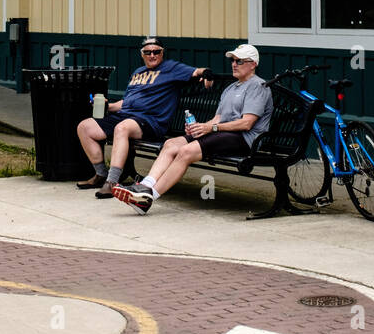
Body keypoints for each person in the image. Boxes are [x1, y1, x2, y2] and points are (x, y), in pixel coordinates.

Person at [113, 43, 272, 214]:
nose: (234, 64)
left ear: (253, 64)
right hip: (223, 133)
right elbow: (218, 118)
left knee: (186, 152)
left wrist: (212, 128)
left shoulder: (258, 86)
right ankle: (145, 185)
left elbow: (246, 123)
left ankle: (149, 197)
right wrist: (199, 128)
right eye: (233, 60)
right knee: (171, 144)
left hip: (244, 139)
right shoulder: (231, 88)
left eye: (239, 61)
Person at [75, 37, 209, 197]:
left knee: (122, 128)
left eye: (156, 52)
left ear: (162, 53)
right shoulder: (138, 72)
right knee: (84, 127)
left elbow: (198, 71)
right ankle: (101, 174)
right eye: (148, 52)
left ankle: (112, 182)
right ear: (142, 54)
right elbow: (126, 102)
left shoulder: (172, 68)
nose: (152, 55)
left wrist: (207, 74)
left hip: (150, 121)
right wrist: (108, 106)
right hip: (126, 117)